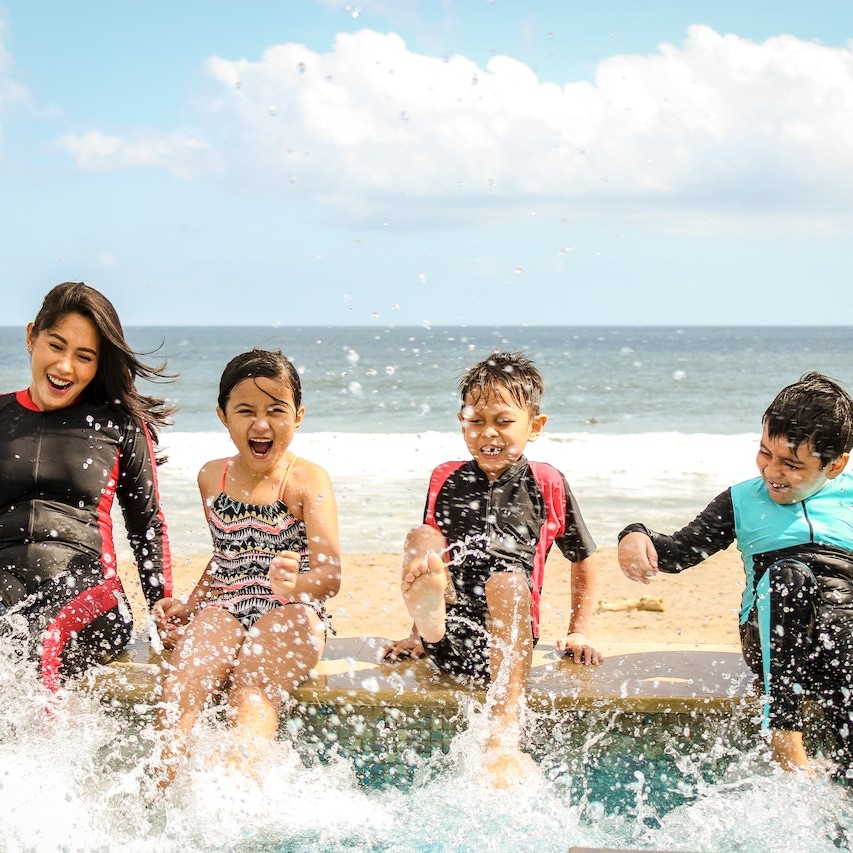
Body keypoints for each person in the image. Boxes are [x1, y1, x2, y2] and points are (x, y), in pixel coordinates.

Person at [618, 371, 853, 776]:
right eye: (765, 453)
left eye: (792, 464)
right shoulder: (742, 500)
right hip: (773, 638)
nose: (772, 471)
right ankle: (784, 736)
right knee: (789, 576)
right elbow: (679, 551)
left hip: (842, 642)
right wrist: (636, 534)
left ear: (835, 465)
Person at [384, 351, 602, 787]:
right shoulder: (444, 476)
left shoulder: (547, 481)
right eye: (475, 420)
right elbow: (432, 564)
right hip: (450, 637)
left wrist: (579, 629)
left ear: (534, 427)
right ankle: (426, 627)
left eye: (503, 421)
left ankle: (504, 729)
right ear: (461, 421)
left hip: (508, 646)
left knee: (505, 580)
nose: (488, 433)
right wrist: (415, 636)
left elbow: (583, 557)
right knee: (422, 539)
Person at [154, 348, 341, 785]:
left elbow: (330, 577)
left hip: (292, 612)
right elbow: (225, 556)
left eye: (276, 410)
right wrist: (192, 603)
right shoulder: (211, 477)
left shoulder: (307, 480)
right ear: (223, 415)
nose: (261, 424)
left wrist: (297, 585)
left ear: (298, 416)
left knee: (252, 689)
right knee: (182, 683)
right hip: (225, 604)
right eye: (245, 411)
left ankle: (242, 793)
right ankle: (161, 793)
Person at [0, 281, 173, 691]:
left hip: (89, 589)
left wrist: (162, 610)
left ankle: (38, 757)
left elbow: (146, 525)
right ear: (31, 337)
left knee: (39, 643)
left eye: (84, 357)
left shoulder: (119, 426)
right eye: (56, 346)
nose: (65, 367)